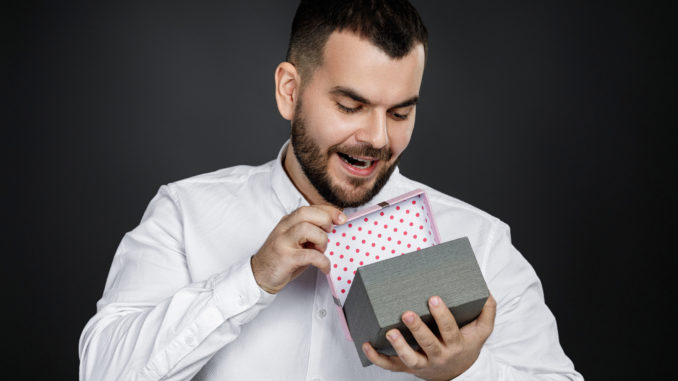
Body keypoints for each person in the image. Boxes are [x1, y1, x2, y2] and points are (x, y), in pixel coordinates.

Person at [79, 1, 583, 380]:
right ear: (289, 91)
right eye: (350, 106)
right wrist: (251, 279)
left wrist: (466, 372)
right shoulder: (186, 213)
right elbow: (101, 372)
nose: (379, 138)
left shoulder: (481, 242)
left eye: (401, 112)